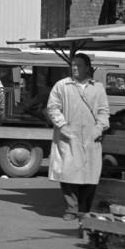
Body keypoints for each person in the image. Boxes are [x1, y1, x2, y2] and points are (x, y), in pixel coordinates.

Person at [47, 53, 110, 221]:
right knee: (68, 174)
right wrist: (63, 126)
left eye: (79, 65)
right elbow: (52, 108)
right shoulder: (62, 86)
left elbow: (104, 112)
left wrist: (98, 128)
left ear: (87, 68)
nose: (75, 67)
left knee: (90, 175)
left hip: (91, 137)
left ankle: (84, 209)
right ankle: (72, 209)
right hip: (69, 137)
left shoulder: (98, 87)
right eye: (73, 64)